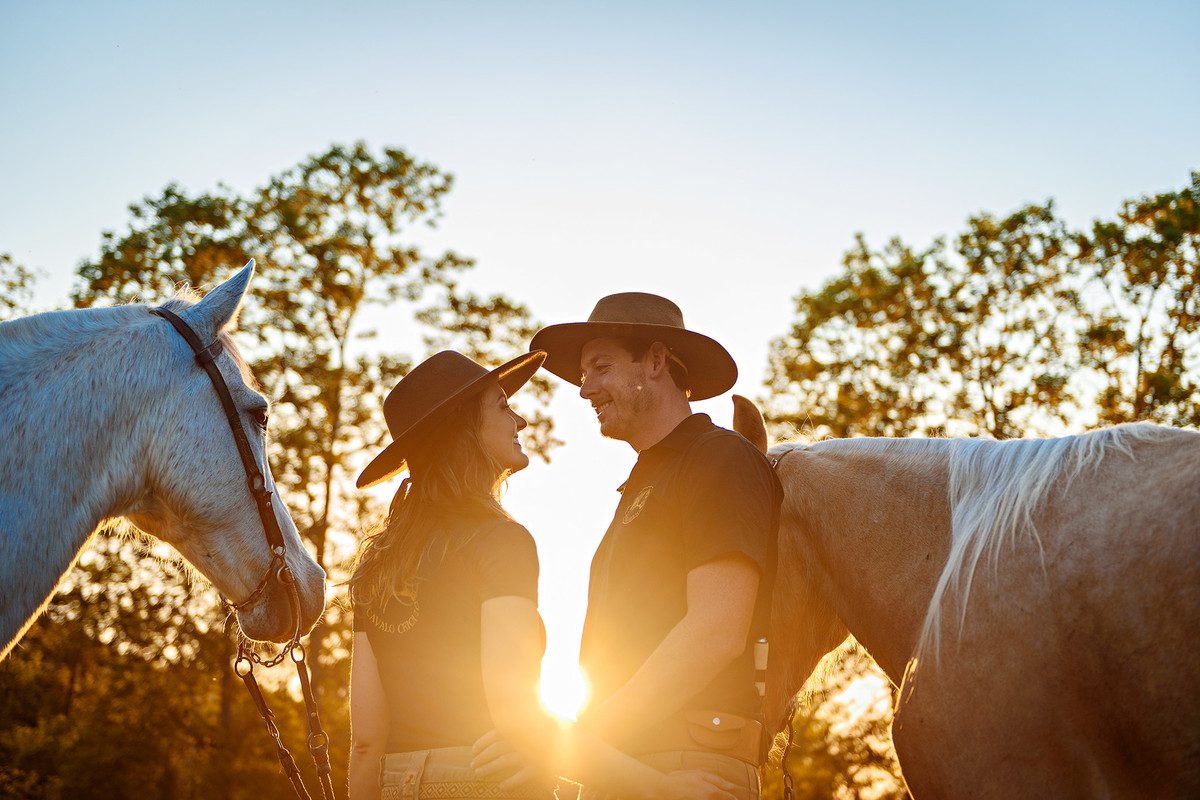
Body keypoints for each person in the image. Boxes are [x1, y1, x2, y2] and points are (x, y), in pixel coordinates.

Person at [347, 350, 740, 800]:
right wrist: (660, 788)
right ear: (462, 427)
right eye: (501, 406)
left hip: (395, 785)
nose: (520, 421)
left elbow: (366, 743)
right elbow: (516, 716)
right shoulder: (500, 541)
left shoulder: (377, 563)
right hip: (483, 782)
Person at [521, 293, 783, 799]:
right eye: (583, 374)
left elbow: (717, 629)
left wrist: (585, 738)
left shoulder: (719, 458)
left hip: (685, 764)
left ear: (657, 361)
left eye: (600, 367)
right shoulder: (645, 480)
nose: (584, 389)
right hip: (629, 764)